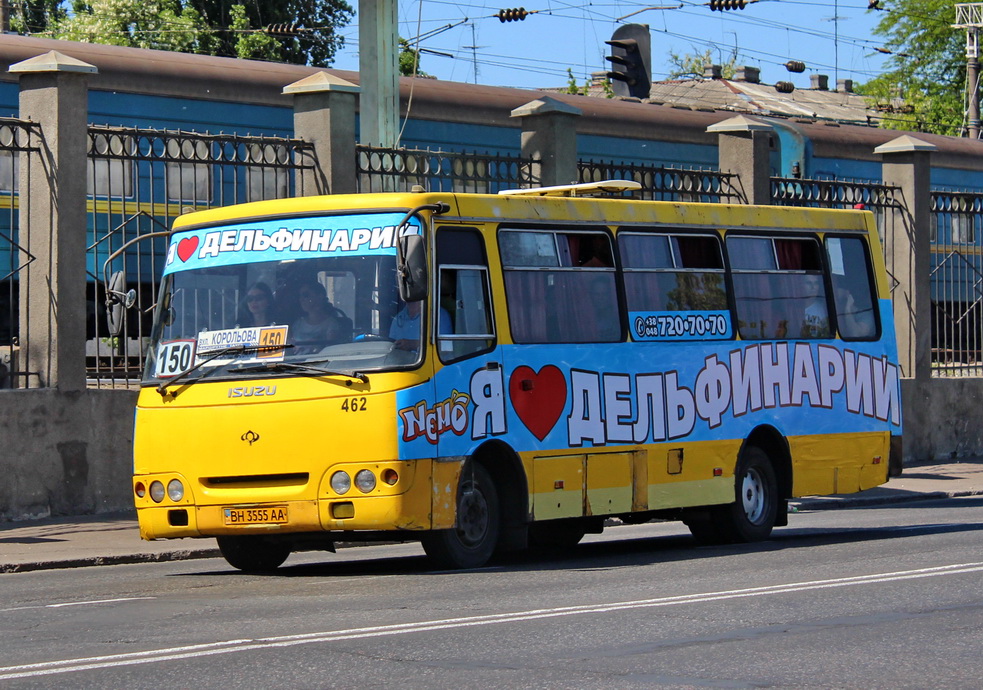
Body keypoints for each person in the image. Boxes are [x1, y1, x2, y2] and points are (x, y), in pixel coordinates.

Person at [291, 280, 352, 348]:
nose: (301, 299)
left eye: (306, 295)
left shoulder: (331, 324)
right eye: (300, 296)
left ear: (320, 296)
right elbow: (291, 348)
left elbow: (330, 350)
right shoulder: (298, 324)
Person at [800, 273, 829, 338]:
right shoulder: (794, 308)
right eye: (809, 283)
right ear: (801, 285)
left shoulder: (823, 309)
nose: (813, 287)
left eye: (816, 283)